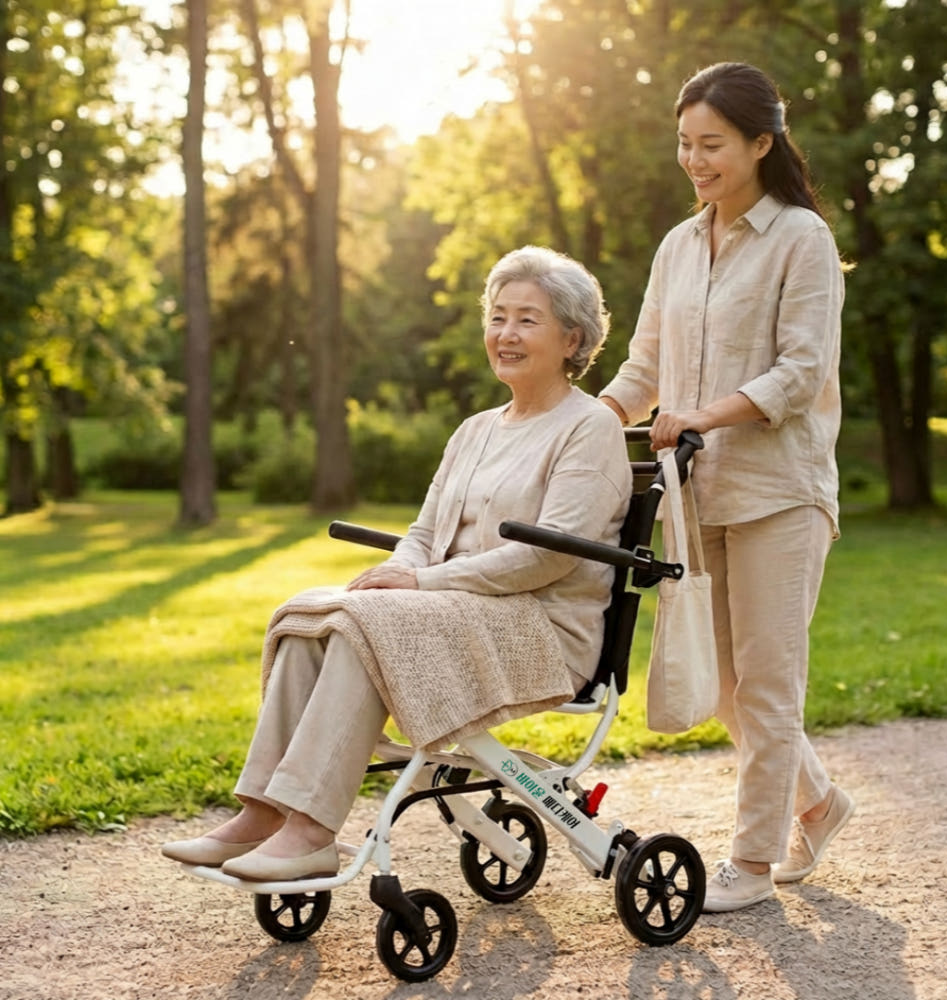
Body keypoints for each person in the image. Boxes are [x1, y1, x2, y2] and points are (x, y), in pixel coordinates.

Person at [162, 245, 633, 882]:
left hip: (542, 632)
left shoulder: (589, 427)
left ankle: (310, 831)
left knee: (372, 625)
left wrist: (418, 581)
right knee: (312, 615)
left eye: (527, 319)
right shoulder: (475, 428)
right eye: (497, 317)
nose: (505, 333)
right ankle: (264, 812)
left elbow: (545, 558)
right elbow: (421, 532)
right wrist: (404, 573)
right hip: (455, 614)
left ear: (573, 337)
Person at [599, 62, 854, 913]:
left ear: (760, 142)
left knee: (770, 681)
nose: (696, 160)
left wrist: (703, 413)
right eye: (685, 144)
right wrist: (591, 420)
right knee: (721, 683)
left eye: (712, 144)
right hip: (693, 493)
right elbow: (643, 365)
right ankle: (818, 800)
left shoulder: (801, 239)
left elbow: (801, 370)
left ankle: (752, 860)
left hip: (781, 491)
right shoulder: (679, 245)